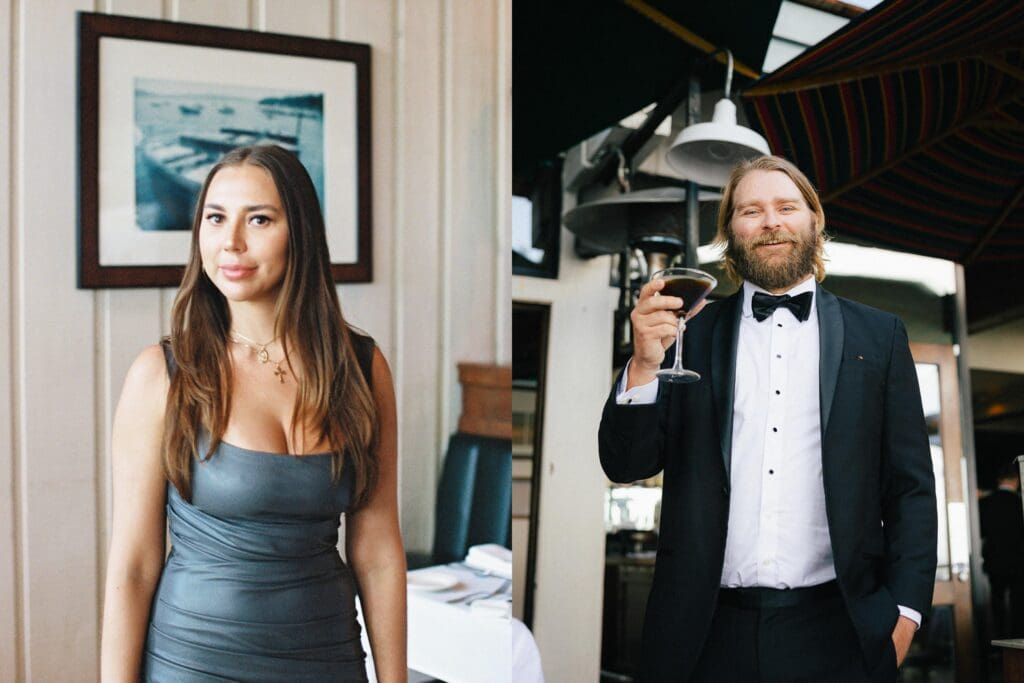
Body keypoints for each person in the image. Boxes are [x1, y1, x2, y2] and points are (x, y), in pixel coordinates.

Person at [598, 155, 937, 682]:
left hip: (842, 631)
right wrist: (643, 364)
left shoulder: (880, 335)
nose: (770, 221)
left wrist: (906, 616)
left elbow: (911, 488)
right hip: (703, 635)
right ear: (730, 232)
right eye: (750, 210)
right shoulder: (689, 333)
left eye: (786, 207)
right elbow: (626, 463)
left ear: (814, 221)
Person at [100, 145, 406, 681]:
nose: (231, 242)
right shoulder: (164, 375)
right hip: (195, 662)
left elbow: (377, 549)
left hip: (329, 657)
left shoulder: (361, 367)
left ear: (300, 233)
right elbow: (133, 565)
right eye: (216, 218)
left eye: (258, 219)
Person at [980, 459, 1024, 639]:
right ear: (1017, 480)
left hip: (994, 560)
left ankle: (999, 641)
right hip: (1018, 561)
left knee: (996, 602)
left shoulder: (986, 502)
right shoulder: (1020, 503)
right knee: (1018, 604)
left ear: (999, 480)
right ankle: (1017, 641)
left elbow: (981, 531)